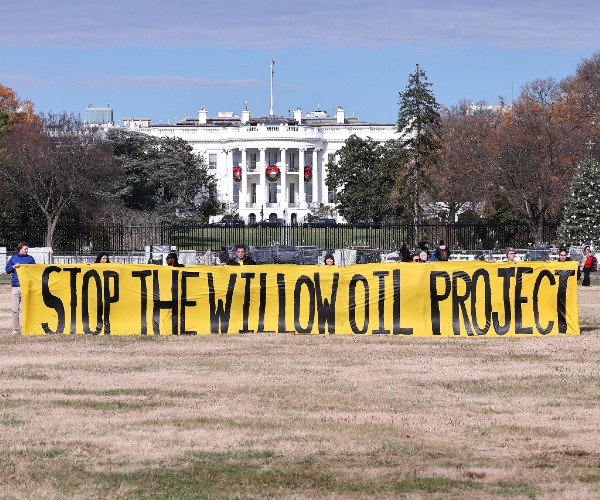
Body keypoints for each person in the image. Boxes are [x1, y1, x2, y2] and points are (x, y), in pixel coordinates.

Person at [5, 241, 36, 335]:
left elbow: (35, 271)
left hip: (27, 287)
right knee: (15, 309)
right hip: (16, 287)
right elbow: (7, 270)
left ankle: (29, 328)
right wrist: (14, 266)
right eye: (25, 249)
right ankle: (15, 329)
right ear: (20, 249)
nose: (27, 250)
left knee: (28, 308)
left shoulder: (30, 259)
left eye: (27, 249)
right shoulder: (13, 258)